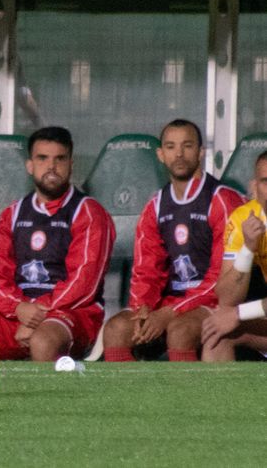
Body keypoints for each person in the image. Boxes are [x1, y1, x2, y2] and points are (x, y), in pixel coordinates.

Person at [0, 126, 116, 362]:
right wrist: (19, 310)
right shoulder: (13, 214)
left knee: (43, 340)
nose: (51, 167)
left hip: (72, 313)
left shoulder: (88, 212)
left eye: (60, 159)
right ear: (30, 165)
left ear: (71, 164)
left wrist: (37, 316)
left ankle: (47, 400)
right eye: (42, 158)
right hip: (17, 312)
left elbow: (83, 284)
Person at [101, 119, 244, 361]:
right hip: (170, 304)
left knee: (180, 331)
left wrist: (170, 313)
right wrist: (143, 308)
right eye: (170, 147)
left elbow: (223, 279)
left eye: (187, 146)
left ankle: (184, 399)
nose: (179, 154)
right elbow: (146, 270)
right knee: (117, 329)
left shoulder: (222, 200)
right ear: (160, 154)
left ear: (200, 152)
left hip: (215, 302)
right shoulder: (155, 206)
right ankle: (127, 399)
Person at [200, 150, 267, 360]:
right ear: (254, 187)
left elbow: (234, 309)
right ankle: (215, 395)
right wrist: (247, 248)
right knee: (218, 333)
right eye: (266, 181)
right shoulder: (243, 219)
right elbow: (227, 297)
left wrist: (239, 314)